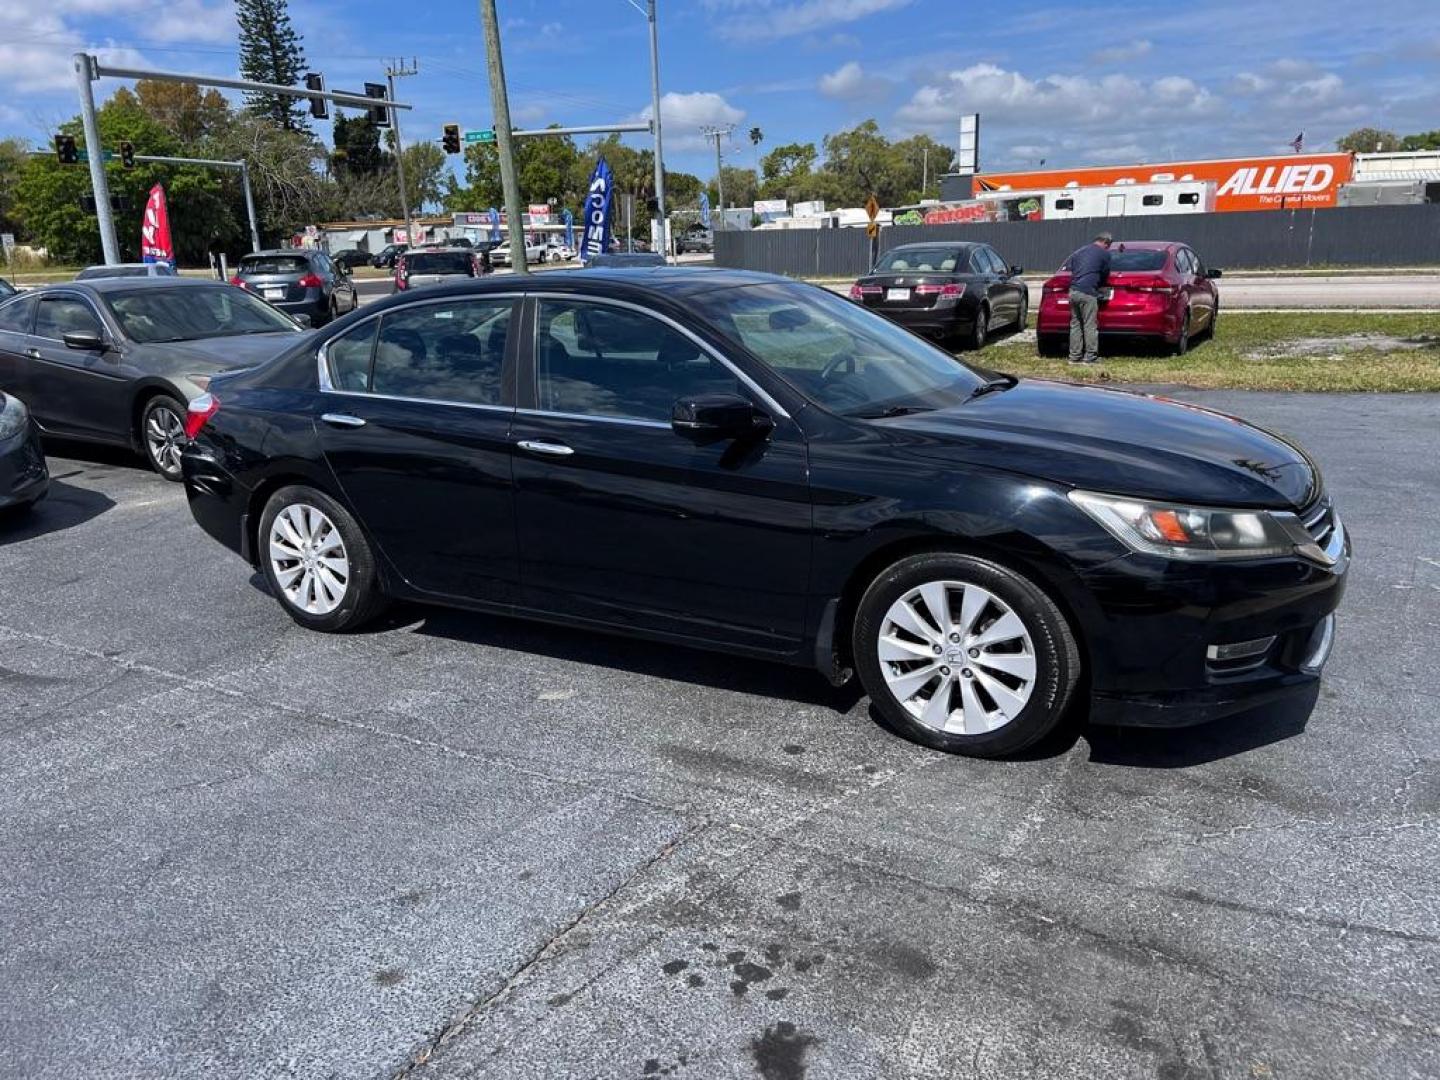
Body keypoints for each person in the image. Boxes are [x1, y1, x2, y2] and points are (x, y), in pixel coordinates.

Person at [1063, 232, 1113, 364]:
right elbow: (1105, 273)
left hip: (1073, 291)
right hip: (1088, 292)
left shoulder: (1079, 252)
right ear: (1106, 243)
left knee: (1075, 324)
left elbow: (1072, 269)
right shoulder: (1104, 254)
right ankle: (1090, 356)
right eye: (1108, 246)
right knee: (1089, 325)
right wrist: (1100, 286)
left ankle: (1074, 356)